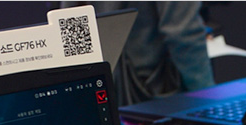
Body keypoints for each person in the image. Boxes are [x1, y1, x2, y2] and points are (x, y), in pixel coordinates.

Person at [65, 2, 214, 104]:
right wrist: (209, 99)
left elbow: (68, 17)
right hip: (150, 89)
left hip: (96, 87)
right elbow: (183, 32)